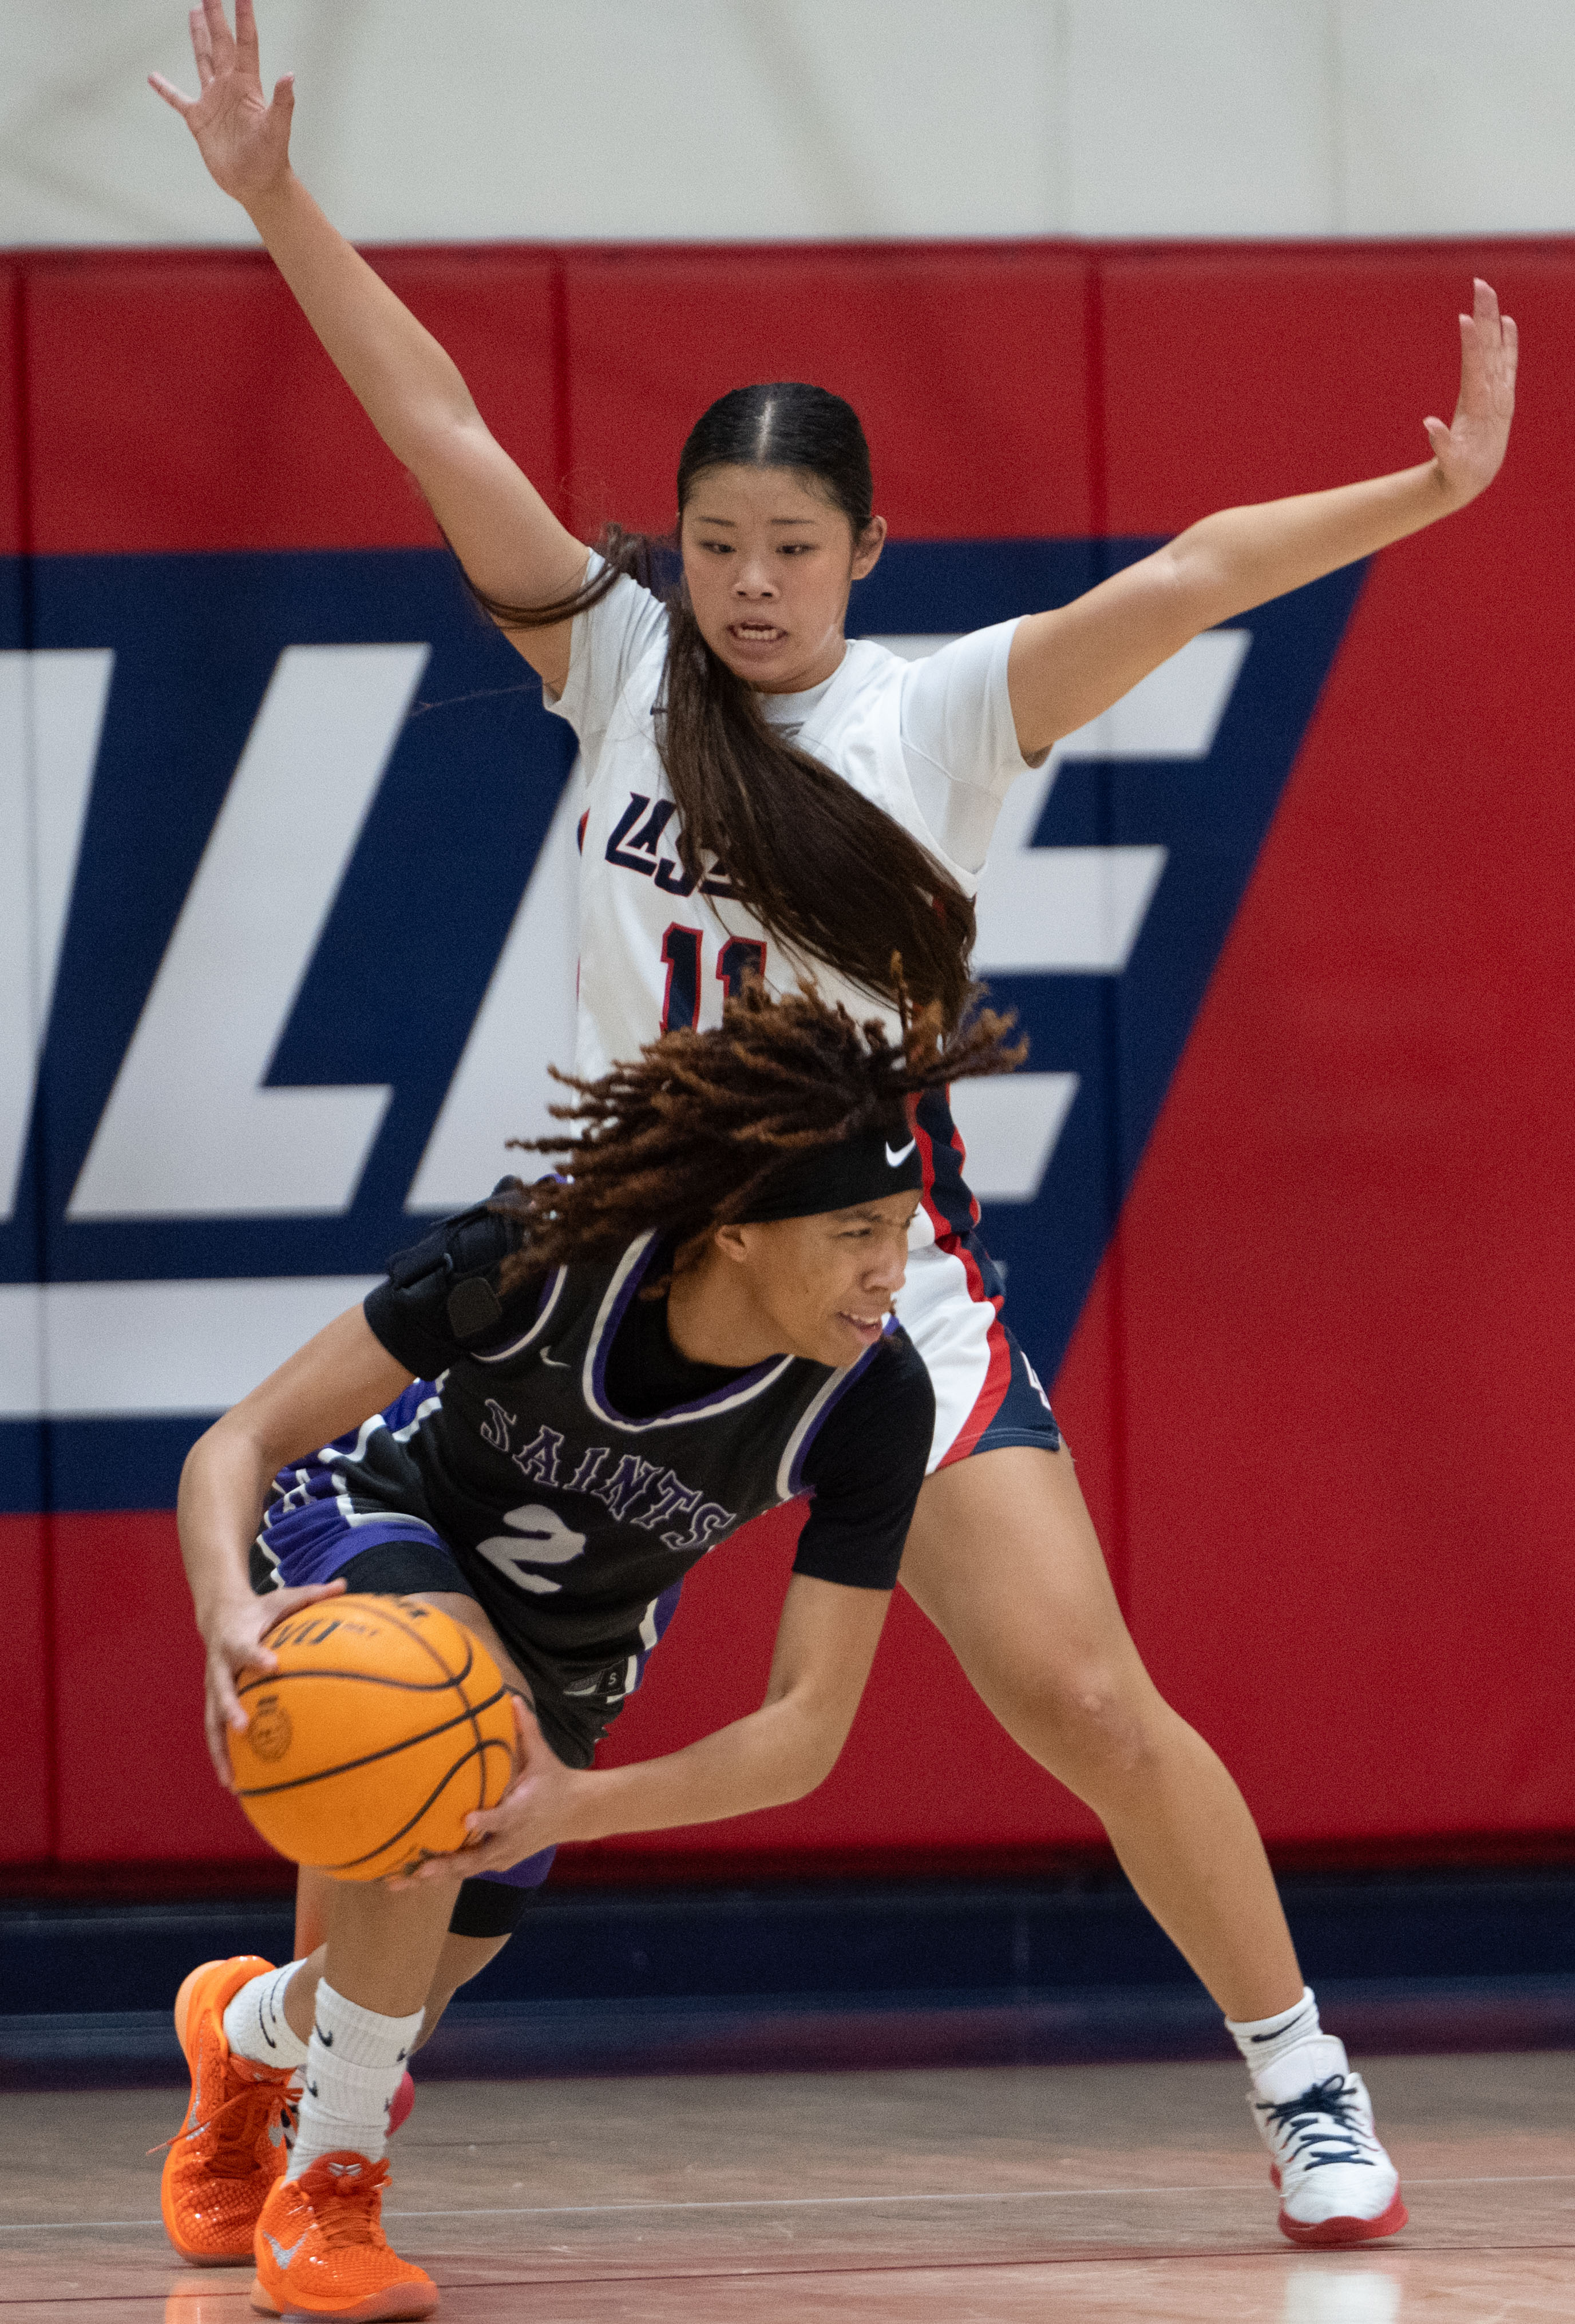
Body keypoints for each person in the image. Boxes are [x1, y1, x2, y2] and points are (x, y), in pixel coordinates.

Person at [152, 0, 1519, 2251]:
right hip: (613, 1278)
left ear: (867, 545)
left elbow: (1188, 576)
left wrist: (1425, 491)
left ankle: (1302, 2077)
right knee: (418, 1741)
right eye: (715, 540)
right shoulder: (616, 664)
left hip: (867, 1280)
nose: (751, 579)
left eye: (792, 542)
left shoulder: (947, 709)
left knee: (1081, 1687)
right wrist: (276, 196)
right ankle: (293, 2062)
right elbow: (436, 417)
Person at [165, 982, 1020, 2316]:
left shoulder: (872, 1397)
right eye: (855, 1231)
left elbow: (802, 1736)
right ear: (734, 1230)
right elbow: (240, 1442)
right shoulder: (542, 1256)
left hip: (573, 1657)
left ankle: (239, 2030)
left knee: (403, 1980)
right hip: (372, 1527)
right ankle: (325, 2200)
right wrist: (228, 1606)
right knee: (451, 1764)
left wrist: (578, 1803)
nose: (888, 1271)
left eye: (903, 1231)